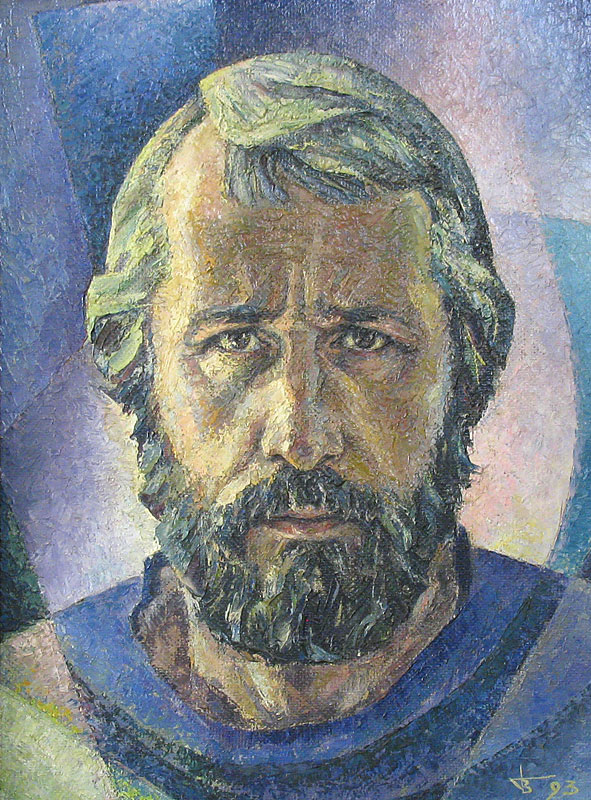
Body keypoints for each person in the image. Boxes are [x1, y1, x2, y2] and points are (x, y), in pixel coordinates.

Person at [1, 52, 590, 800]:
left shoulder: (569, 684)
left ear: (467, 363)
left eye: (365, 341)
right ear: (135, 366)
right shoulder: (34, 715)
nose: (300, 436)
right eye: (234, 342)